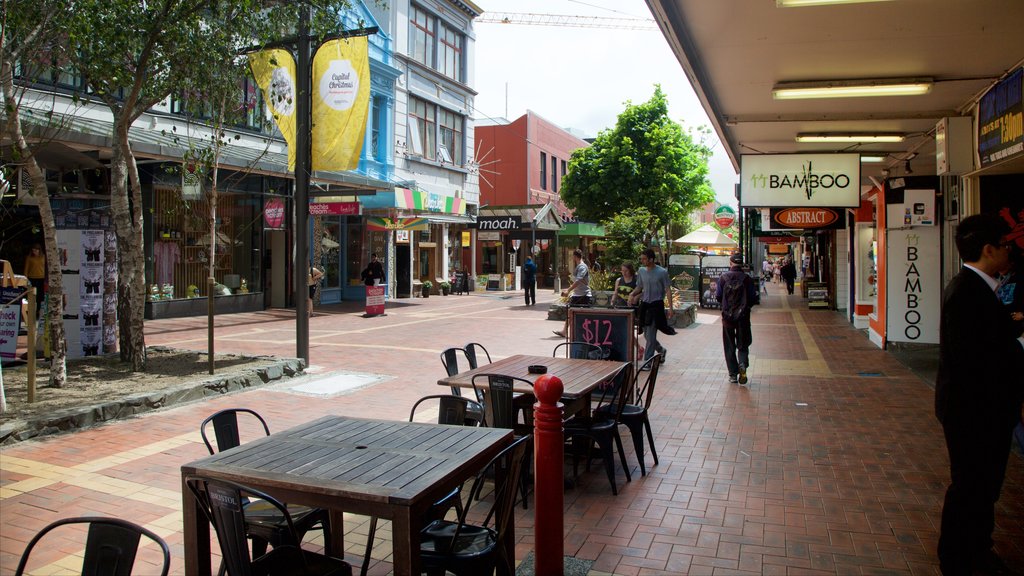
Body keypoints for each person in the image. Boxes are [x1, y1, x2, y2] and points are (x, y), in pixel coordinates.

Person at [934, 213, 1024, 575]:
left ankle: (974, 548)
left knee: (981, 485)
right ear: (988, 249)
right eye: (1005, 245)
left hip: (980, 409)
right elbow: (974, 358)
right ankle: (960, 556)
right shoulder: (967, 292)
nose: (1009, 252)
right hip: (974, 412)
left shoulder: (978, 290)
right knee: (972, 485)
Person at [629, 248, 675, 364]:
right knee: (646, 334)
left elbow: (668, 290)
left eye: (644, 259)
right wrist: (632, 294)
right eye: (641, 259)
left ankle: (648, 361)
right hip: (644, 306)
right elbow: (639, 286)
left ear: (651, 259)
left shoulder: (662, 272)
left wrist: (670, 308)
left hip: (656, 306)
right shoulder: (641, 271)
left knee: (651, 333)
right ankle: (661, 350)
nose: (642, 261)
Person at [717, 253, 756, 384]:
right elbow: (752, 298)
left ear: (731, 263)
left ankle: (733, 374)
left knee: (729, 346)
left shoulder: (723, 278)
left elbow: (718, 296)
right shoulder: (747, 279)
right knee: (743, 344)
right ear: (741, 263)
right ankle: (743, 364)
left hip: (727, 318)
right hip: (743, 317)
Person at [554, 248, 593, 337]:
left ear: (575, 257)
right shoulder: (579, 267)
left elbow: (578, 280)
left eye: (573, 257)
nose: (573, 258)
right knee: (570, 312)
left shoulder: (582, 267)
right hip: (577, 295)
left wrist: (568, 290)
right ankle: (564, 331)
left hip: (584, 295)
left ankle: (587, 334)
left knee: (585, 316)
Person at [23, 244, 46, 316]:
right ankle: (30, 311)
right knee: (31, 295)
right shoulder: (29, 258)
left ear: (39, 250)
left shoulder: (44, 257)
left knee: (40, 296)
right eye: (33, 250)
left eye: (36, 250)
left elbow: (46, 268)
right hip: (31, 279)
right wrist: (25, 280)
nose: (34, 252)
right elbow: (26, 269)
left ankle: (39, 311)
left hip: (41, 279)